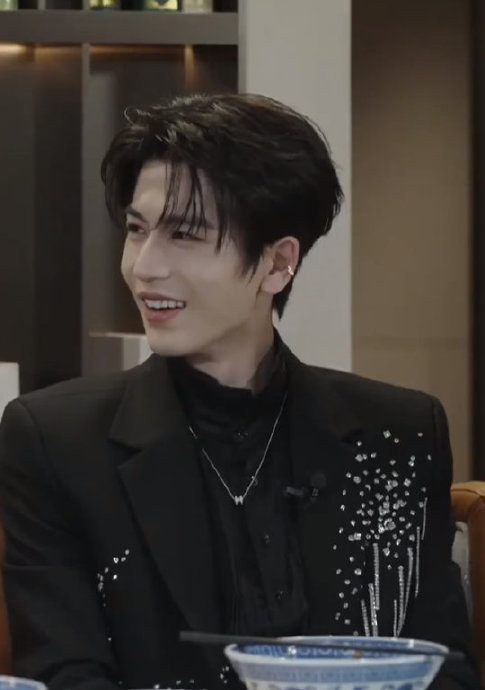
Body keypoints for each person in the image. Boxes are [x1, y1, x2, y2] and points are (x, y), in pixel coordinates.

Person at [0, 93, 480, 690]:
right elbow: (66, 674)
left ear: (278, 264)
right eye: (137, 230)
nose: (144, 267)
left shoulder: (398, 434)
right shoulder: (56, 442)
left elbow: (444, 669)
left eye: (185, 234)